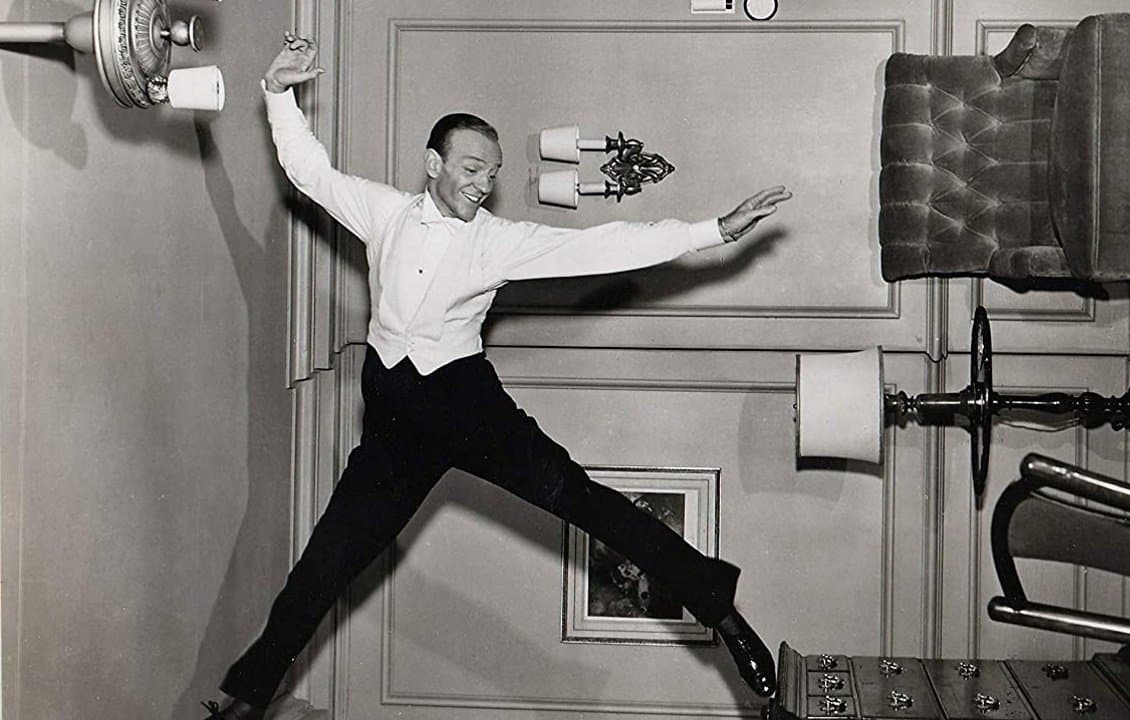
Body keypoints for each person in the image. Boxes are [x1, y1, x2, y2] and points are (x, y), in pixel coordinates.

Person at [201, 32, 792, 720]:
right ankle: (246, 698)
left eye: (492, 174)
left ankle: (720, 609)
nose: (483, 185)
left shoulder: (498, 241)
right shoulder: (384, 213)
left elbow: (602, 246)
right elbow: (311, 172)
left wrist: (712, 230)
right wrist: (278, 92)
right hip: (393, 423)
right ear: (434, 164)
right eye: (473, 168)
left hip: (468, 410)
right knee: (327, 561)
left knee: (586, 502)